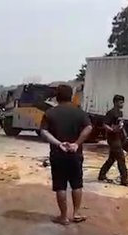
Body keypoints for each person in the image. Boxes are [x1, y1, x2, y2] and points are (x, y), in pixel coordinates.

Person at [40, 84, 93, 225]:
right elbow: (89, 127)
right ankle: (76, 214)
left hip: (58, 154)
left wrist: (58, 143)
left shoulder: (50, 113)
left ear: (57, 97)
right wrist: (76, 143)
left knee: (60, 186)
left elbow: (44, 131)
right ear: (70, 96)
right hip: (75, 155)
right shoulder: (79, 112)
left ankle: (63, 217)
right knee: (77, 184)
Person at [98, 95, 128, 186]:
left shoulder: (120, 113)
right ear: (115, 102)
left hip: (119, 137)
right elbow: (105, 125)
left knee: (112, 158)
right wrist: (112, 130)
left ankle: (102, 175)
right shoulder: (111, 113)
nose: (122, 104)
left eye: (123, 102)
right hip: (113, 138)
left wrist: (125, 136)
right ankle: (124, 179)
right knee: (121, 158)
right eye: (120, 102)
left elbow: (121, 126)